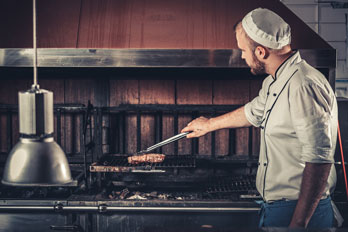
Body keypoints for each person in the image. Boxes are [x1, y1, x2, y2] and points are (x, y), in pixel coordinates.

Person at [181, 8, 342, 228]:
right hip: (277, 209)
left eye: (243, 50)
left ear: (260, 52)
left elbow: (319, 160)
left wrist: (298, 224)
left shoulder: (303, 85)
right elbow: (253, 112)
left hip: (300, 212)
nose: (242, 56)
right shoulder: (275, 81)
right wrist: (208, 125)